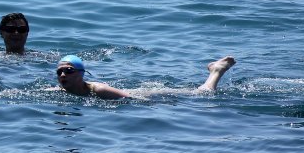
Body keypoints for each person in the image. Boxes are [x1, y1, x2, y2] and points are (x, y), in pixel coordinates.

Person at [55, 54, 236, 100]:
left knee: (202, 94)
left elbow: (133, 99)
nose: (63, 74)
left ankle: (217, 71)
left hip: (148, 94)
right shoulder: (60, 91)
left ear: (81, 74)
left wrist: (158, 102)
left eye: (69, 70)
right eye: (59, 72)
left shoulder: (99, 89)